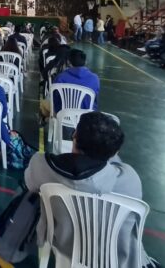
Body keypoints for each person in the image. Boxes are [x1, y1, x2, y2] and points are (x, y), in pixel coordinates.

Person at [25, 112, 156, 268]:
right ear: (114, 153)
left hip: (66, 246)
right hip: (118, 256)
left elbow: (29, 184)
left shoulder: (42, 165)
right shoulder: (129, 179)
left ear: (74, 137)